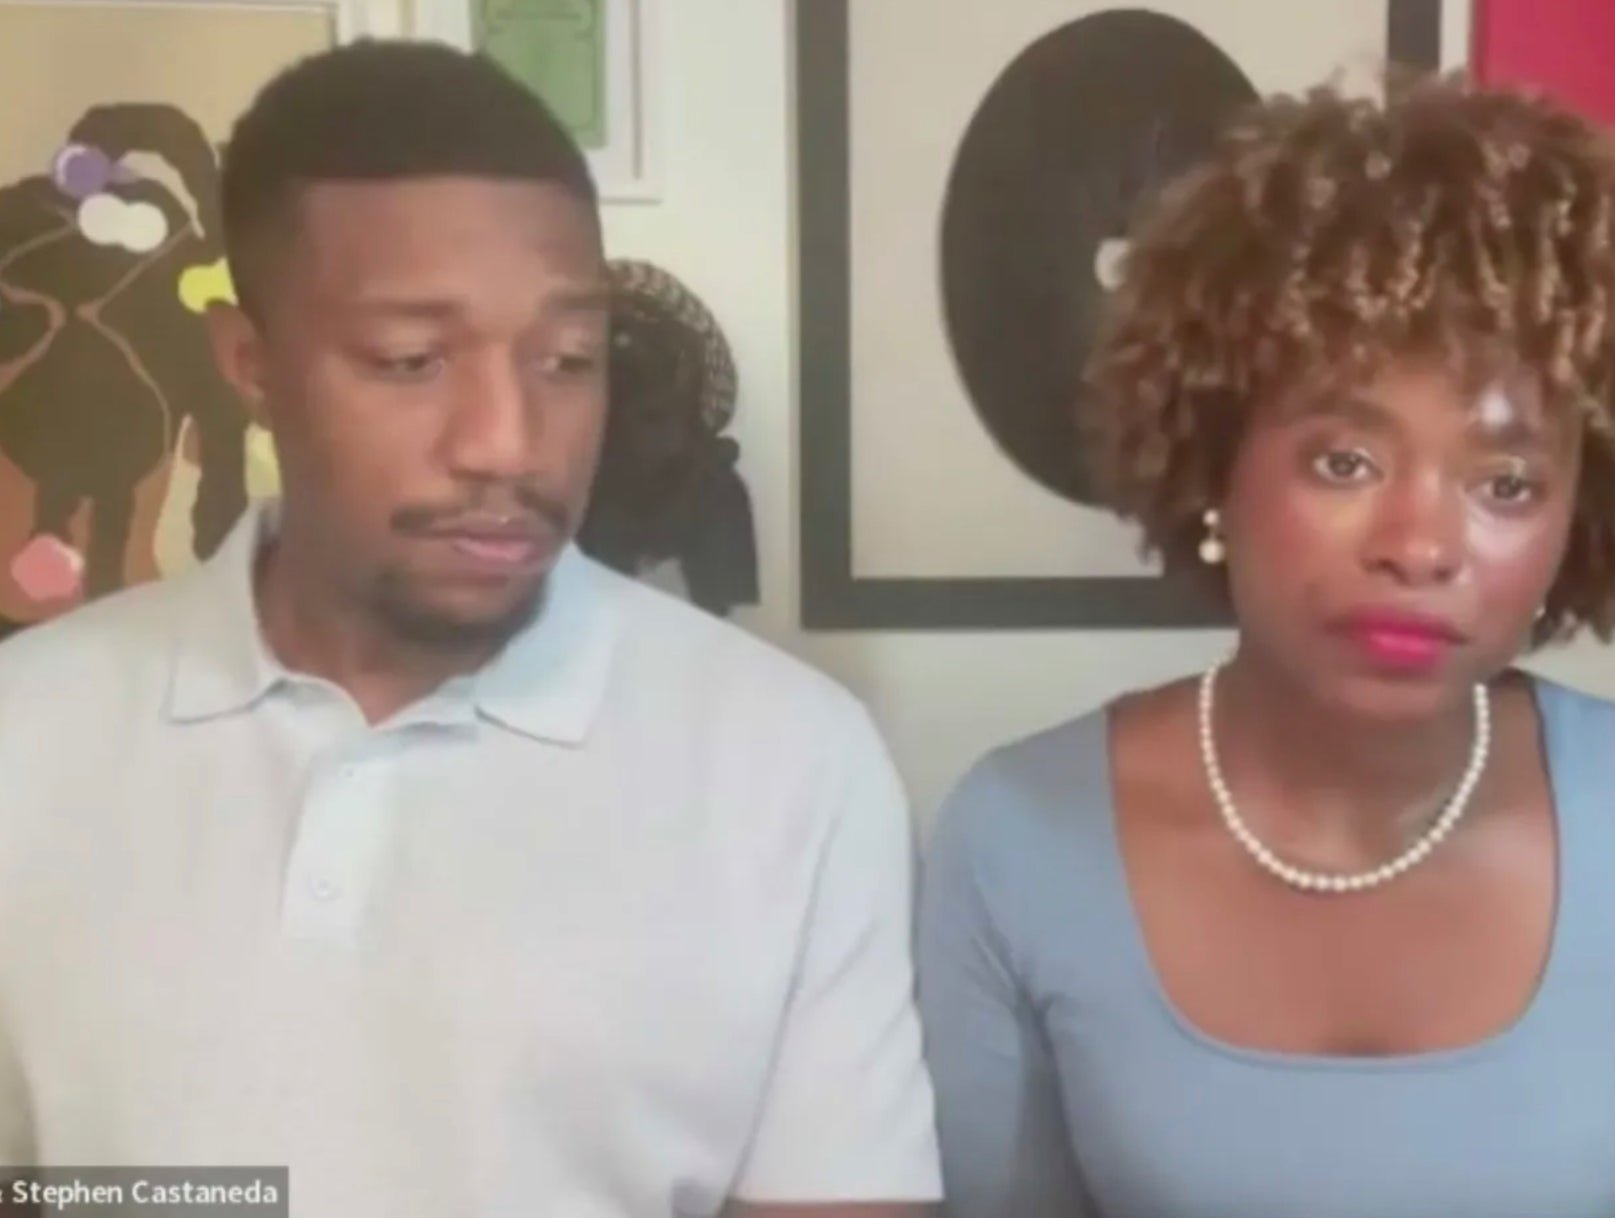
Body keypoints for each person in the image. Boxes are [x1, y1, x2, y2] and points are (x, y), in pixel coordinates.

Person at [0, 40, 940, 1218]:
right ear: (251, 364)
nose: (507, 439)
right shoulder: (27, 737)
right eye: (412, 360)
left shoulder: (792, 765)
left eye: (568, 359)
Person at [915, 73, 1615, 1218]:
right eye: (1345, 461)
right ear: (1213, 462)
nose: (1420, 544)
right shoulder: (1015, 842)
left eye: (1505, 482)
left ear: (1581, 521)